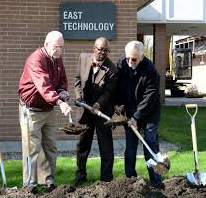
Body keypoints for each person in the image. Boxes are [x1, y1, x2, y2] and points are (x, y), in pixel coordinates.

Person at [19, 31, 71, 193]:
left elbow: (62, 80)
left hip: (48, 109)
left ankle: (49, 182)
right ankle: (30, 185)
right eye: (56, 47)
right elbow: (44, 86)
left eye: (61, 47)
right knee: (32, 148)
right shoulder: (36, 59)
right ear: (46, 44)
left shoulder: (57, 58)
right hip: (31, 109)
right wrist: (59, 102)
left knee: (50, 146)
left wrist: (63, 91)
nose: (59, 50)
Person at [116, 40, 164, 188]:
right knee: (130, 147)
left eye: (134, 59)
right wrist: (119, 104)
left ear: (142, 57)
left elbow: (150, 97)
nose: (130, 62)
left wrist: (137, 116)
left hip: (149, 114)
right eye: (128, 58)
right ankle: (131, 180)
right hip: (130, 111)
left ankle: (156, 181)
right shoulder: (122, 63)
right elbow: (118, 85)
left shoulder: (151, 71)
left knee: (150, 145)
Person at [74, 37, 118, 185]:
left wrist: (98, 104)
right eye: (100, 50)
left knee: (105, 146)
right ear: (94, 48)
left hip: (101, 111)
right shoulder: (83, 58)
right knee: (82, 145)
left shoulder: (112, 69)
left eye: (106, 51)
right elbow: (78, 80)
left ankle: (106, 179)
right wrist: (79, 97)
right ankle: (80, 176)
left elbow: (108, 92)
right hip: (85, 111)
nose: (103, 53)